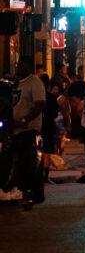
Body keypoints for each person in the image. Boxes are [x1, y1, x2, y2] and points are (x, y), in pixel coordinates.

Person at [1, 57, 46, 203]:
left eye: (21, 64)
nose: (18, 67)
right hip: (15, 129)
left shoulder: (35, 82)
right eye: (17, 64)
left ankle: (32, 192)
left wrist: (25, 120)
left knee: (29, 162)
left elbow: (40, 104)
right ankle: (17, 188)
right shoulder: (16, 83)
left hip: (29, 129)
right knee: (16, 161)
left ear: (28, 66)